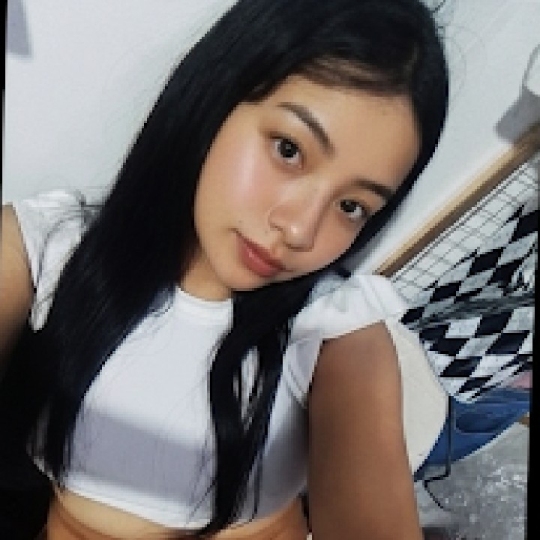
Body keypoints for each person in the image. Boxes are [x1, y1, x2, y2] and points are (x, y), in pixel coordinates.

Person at [0, 0, 449, 538]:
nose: (300, 230)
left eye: (352, 206)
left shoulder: (335, 332)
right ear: (215, 99)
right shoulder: (50, 248)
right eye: (289, 149)